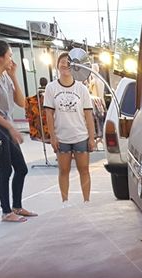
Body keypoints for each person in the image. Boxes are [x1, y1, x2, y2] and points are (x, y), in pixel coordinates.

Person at [0, 40, 36, 223]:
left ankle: (17, 206)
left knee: (21, 169)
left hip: (6, 126)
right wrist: (10, 127)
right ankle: (6, 212)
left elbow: (22, 102)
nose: (11, 59)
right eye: (9, 55)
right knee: (5, 170)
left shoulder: (5, 76)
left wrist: (14, 76)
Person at [44, 51, 96, 207]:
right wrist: (52, 136)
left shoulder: (82, 89)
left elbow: (88, 115)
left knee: (84, 169)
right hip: (62, 137)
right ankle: (65, 201)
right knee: (63, 170)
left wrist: (92, 138)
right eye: (62, 62)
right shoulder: (51, 88)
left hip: (81, 136)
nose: (65, 65)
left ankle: (86, 200)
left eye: (68, 62)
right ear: (57, 66)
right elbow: (48, 114)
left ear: (74, 66)